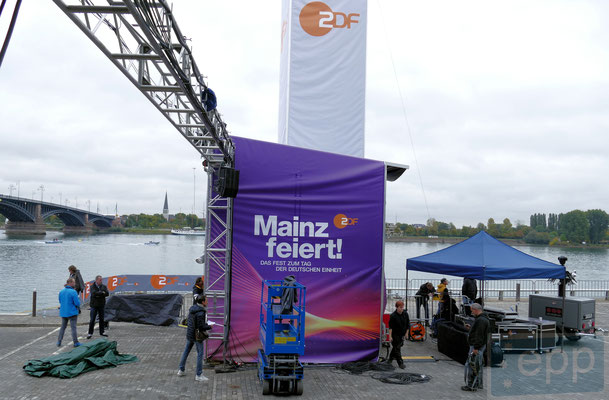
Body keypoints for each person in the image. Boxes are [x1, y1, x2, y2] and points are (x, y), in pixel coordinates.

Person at [178, 294, 212, 382]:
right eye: (206, 300)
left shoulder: (193, 308)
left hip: (190, 333)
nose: (207, 302)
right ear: (203, 302)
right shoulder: (201, 312)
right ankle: (199, 374)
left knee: (186, 351)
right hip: (197, 335)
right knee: (200, 354)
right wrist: (209, 326)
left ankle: (181, 370)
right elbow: (201, 326)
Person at [462, 303, 490, 391]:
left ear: (475, 310)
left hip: (477, 346)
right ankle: (477, 384)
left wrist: (476, 348)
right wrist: (471, 328)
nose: (471, 312)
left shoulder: (481, 320)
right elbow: (479, 332)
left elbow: (479, 335)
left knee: (473, 365)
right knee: (477, 365)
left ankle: (472, 385)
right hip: (480, 345)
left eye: (472, 310)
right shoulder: (482, 319)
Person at [57, 278, 81, 347]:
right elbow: (77, 303)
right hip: (72, 312)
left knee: (63, 327)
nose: (75, 284)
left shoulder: (61, 291)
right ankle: (75, 342)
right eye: (73, 282)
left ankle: (59, 341)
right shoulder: (73, 292)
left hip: (63, 312)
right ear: (70, 283)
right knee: (73, 328)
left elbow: (60, 301)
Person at [387, 300, 410, 369]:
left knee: (396, 347)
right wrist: (390, 336)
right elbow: (390, 327)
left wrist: (406, 334)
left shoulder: (405, 314)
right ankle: (400, 363)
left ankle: (390, 359)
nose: (401, 309)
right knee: (397, 349)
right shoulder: (393, 316)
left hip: (402, 334)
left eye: (402, 307)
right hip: (395, 334)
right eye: (400, 307)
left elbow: (408, 325)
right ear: (397, 307)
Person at [87, 275, 109, 339]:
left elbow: (107, 293)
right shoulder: (92, 286)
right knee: (92, 320)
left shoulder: (104, 286)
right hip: (94, 305)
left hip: (101, 305)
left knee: (102, 319)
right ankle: (90, 333)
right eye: (100, 280)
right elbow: (94, 294)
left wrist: (99, 294)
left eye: (101, 280)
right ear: (96, 280)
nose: (101, 281)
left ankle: (102, 332)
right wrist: (102, 293)